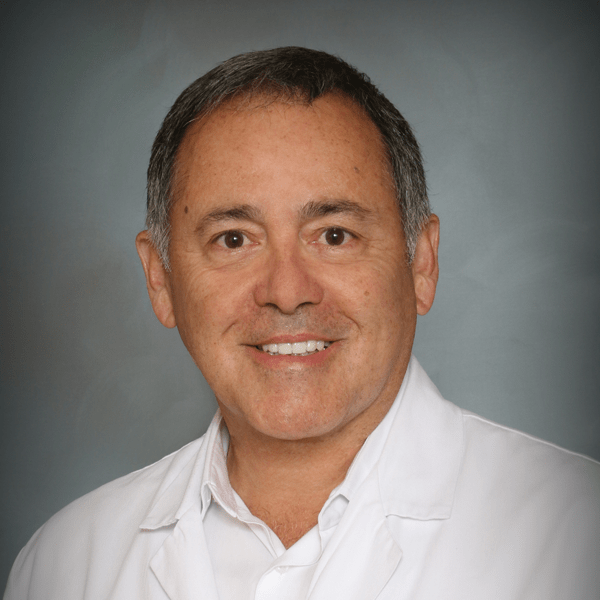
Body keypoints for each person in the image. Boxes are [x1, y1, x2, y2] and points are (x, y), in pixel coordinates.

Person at [4, 46, 600, 600]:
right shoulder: (64, 565)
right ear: (160, 280)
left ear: (421, 263)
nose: (287, 293)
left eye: (334, 235)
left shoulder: (576, 537)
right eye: (233, 239)